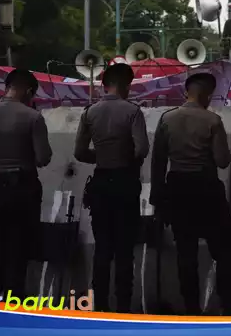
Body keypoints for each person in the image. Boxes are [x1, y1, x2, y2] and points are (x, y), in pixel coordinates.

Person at [149, 73, 231, 316]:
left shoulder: (167, 119)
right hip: (207, 189)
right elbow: (222, 161)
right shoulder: (213, 120)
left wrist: (158, 197)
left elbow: (158, 162)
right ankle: (228, 308)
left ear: (186, 92)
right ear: (207, 94)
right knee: (222, 251)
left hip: (177, 189)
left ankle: (191, 309)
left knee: (185, 254)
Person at [0, 69, 52, 300]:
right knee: (20, 248)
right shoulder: (33, 117)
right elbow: (43, 158)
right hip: (24, 189)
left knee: (0, 246)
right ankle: (15, 303)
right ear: (29, 90)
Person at [73, 63, 149, 313]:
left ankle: (100, 306)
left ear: (105, 84)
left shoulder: (90, 112)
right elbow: (142, 150)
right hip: (125, 184)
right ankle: (124, 308)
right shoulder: (132, 112)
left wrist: (104, 156)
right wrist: (123, 158)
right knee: (125, 249)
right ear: (126, 84)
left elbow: (80, 152)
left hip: (101, 183)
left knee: (102, 248)